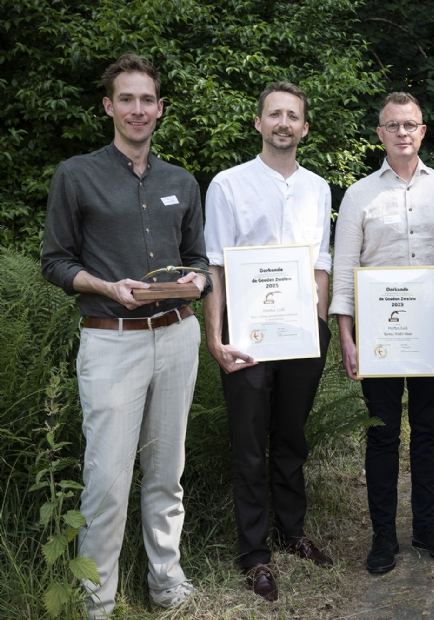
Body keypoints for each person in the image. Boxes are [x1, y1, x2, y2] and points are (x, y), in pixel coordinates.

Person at [40, 53, 209, 617]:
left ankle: (166, 583)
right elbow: (55, 262)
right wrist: (106, 287)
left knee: (167, 471)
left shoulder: (180, 182)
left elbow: (199, 258)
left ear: (160, 109)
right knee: (108, 482)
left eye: (148, 100)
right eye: (127, 99)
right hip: (111, 338)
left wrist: (198, 279)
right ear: (109, 106)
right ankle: (97, 601)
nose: (139, 110)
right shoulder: (76, 175)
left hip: (177, 337)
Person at [203, 81, 334, 602]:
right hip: (248, 337)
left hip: (303, 335)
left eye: (293, 116)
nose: (283, 123)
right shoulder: (228, 185)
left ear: (304, 127)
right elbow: (215, 264)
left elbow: (320, 264)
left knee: (291, 438)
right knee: (250, 446)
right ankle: (256, 554)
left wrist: (320, 326)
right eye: (274, 114)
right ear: (258, 123)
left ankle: (292, 531)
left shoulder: (319, 187)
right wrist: (215, 338)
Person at [330, 92, 434, 573]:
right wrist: (347, 337)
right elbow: (344, 272)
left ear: (423, 131)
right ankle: (383, 537)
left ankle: (426, 528)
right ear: (379, 134)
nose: (402, 132)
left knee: (427, 432)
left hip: (433, 335)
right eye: (392, 125)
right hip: (379, 339)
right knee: (383, 436)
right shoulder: (360, 195)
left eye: (410, 124)